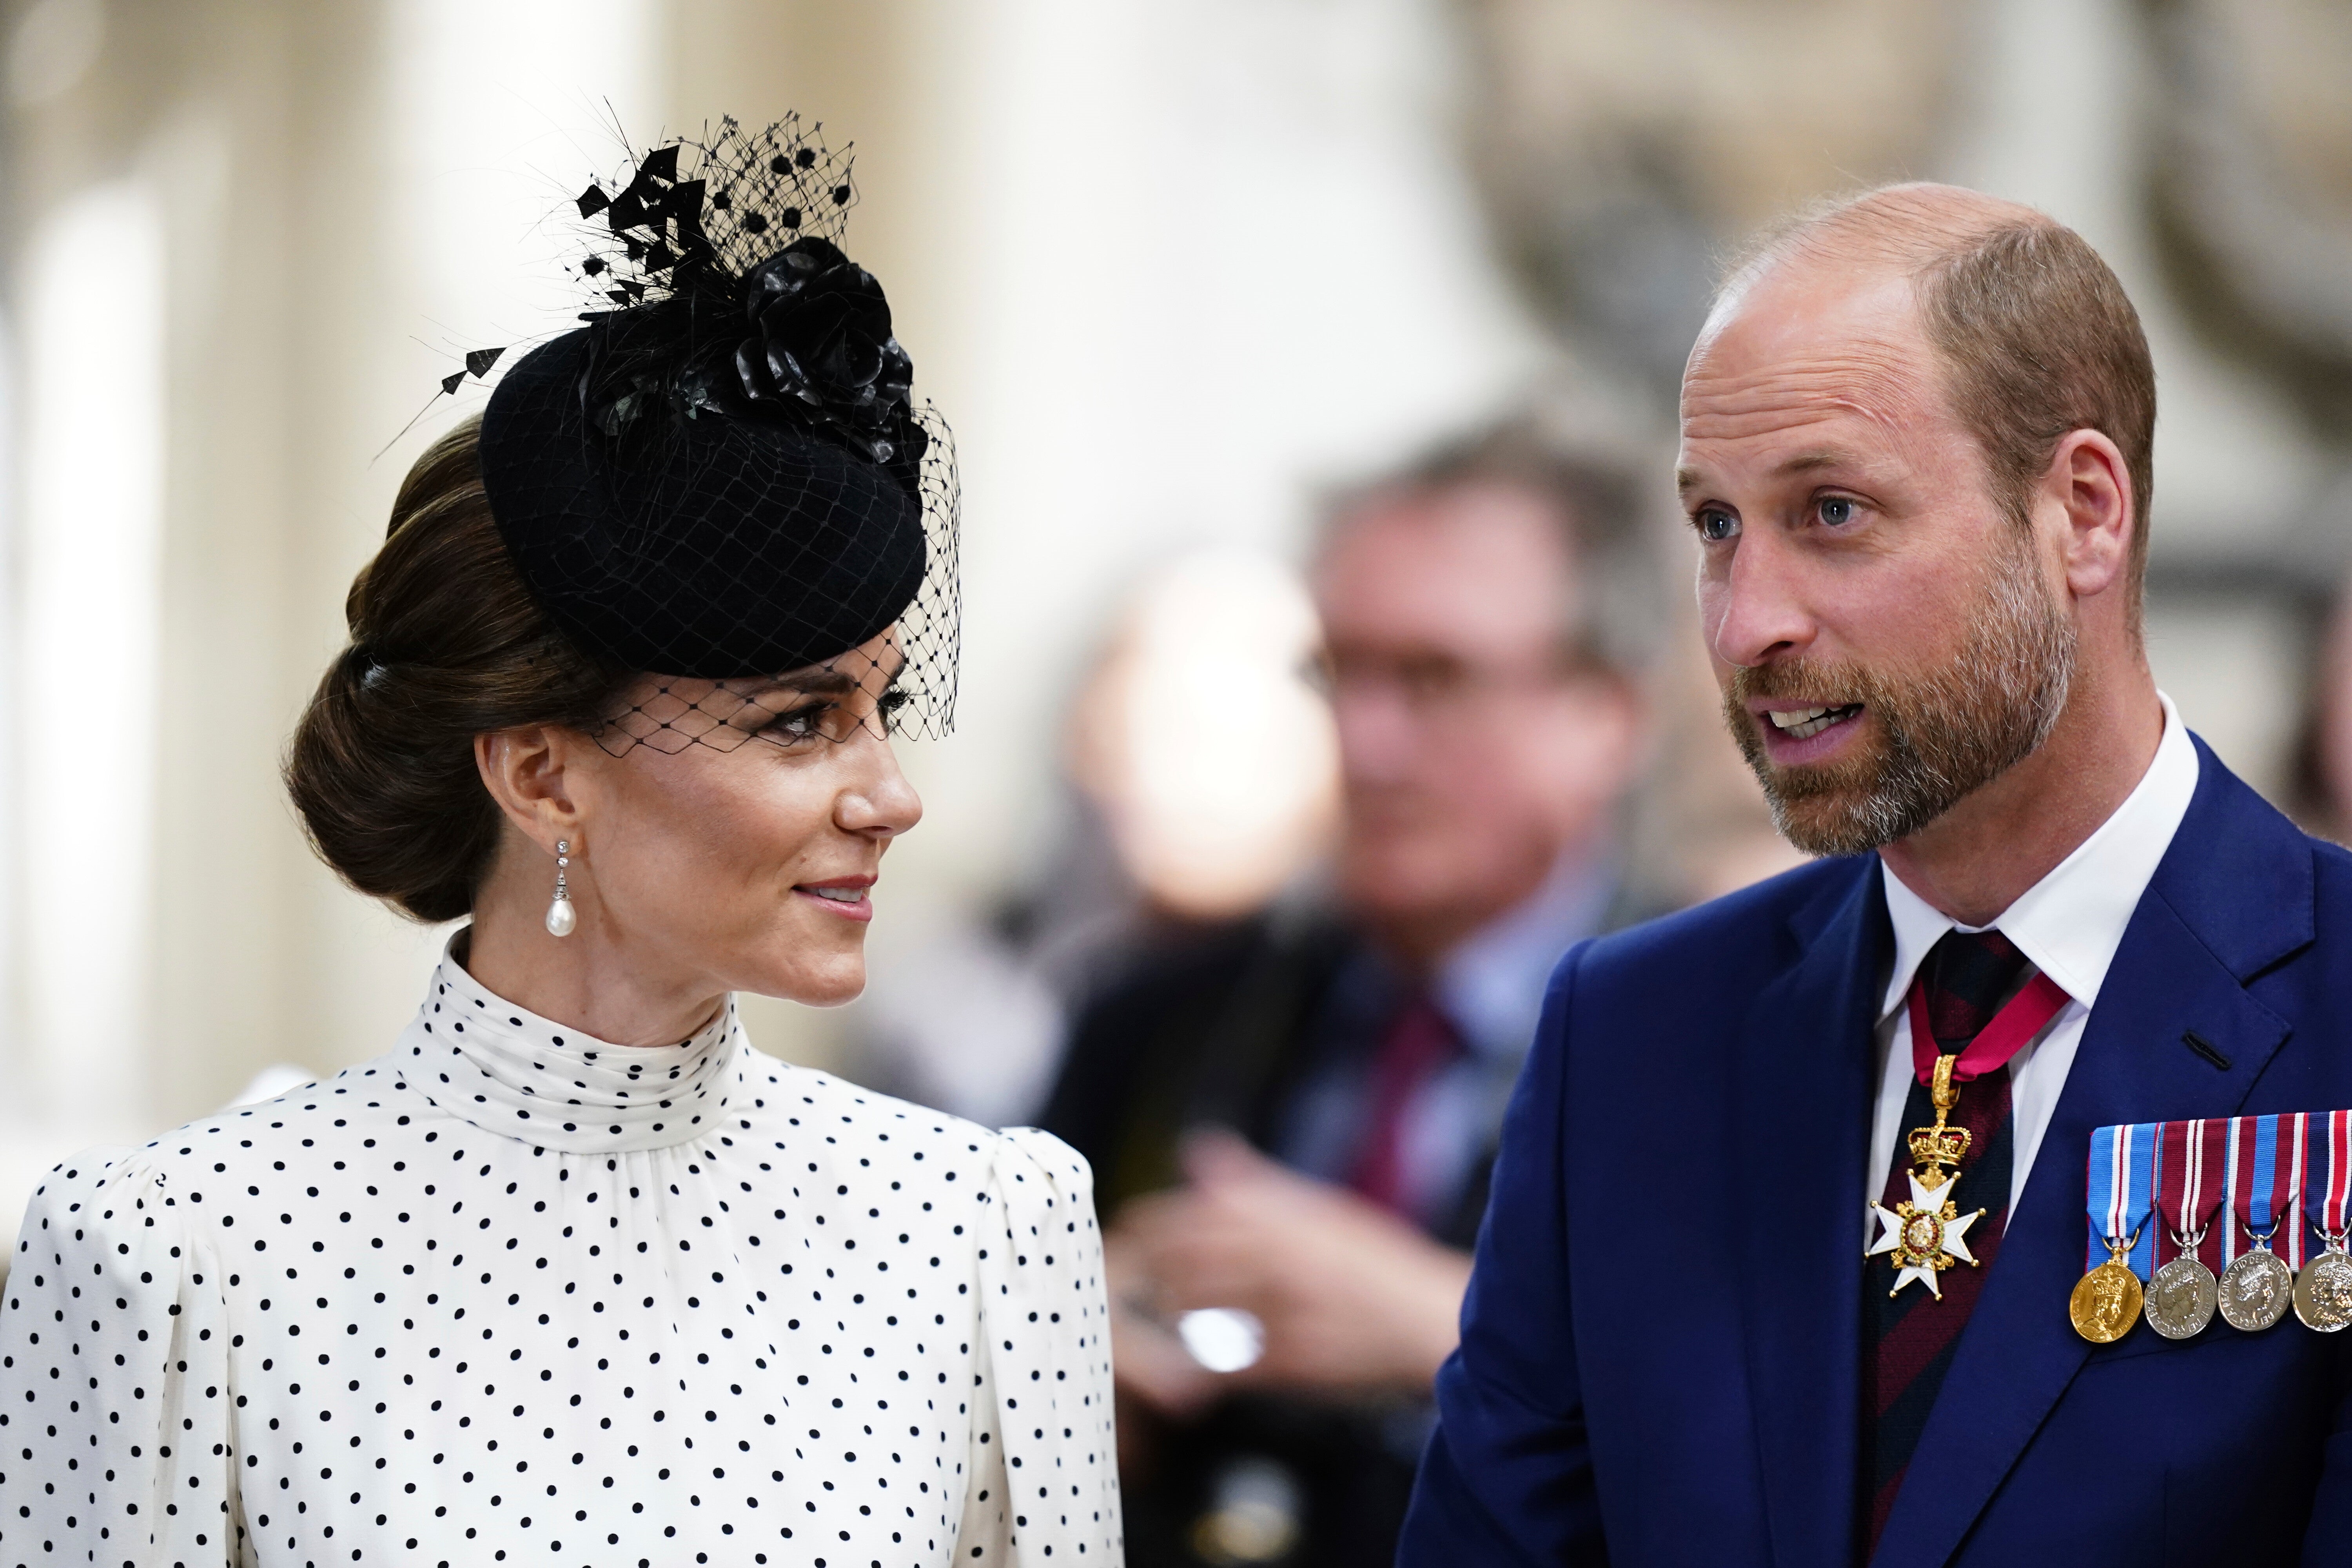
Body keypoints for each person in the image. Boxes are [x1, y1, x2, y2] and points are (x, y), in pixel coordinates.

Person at [0, 119, 1120, 1567]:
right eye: (799, 721)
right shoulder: (173, 1252)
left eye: (881, 708)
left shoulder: (990, 1226)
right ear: (542, 775)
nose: (891, 796)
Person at [1400, 182, 2352, 1566]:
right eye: (1716, 526)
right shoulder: (1635, 1036)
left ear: (2082, 514)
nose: (1748, 623)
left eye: (1833, 511)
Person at [1040, 428, 1657, 1567]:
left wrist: (1451, 1332)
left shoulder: (1742, 1045)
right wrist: (1053, 1366)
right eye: (1339, 672)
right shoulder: (1156, 1021)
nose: (1367, 744)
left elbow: (1807, 1451)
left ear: (1604, 715)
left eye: (1435, 679)